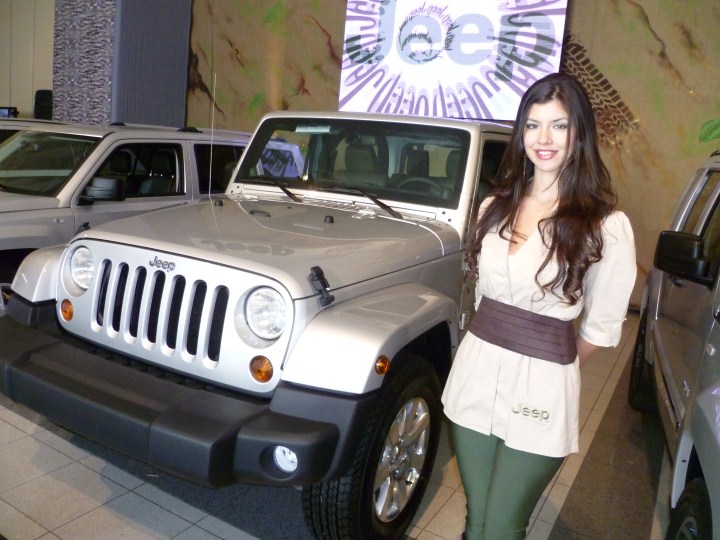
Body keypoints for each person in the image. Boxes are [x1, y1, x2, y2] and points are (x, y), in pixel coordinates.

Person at [441, 72, 636, 539]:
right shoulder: (494, 207)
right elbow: (482, 295)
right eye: (532, 125)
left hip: (542, 386)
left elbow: (601, 326)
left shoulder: (605, 225)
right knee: (477, 520)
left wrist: (548, 360)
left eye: (558, 125)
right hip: (474, 374)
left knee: (502, 527)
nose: (543, 138)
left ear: (579, 133)